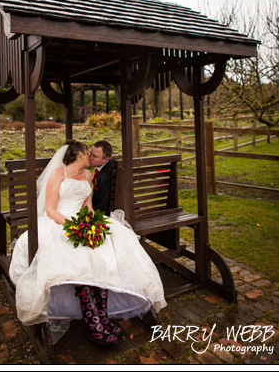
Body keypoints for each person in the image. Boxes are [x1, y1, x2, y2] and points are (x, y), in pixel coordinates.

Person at [9, 140, 166, 347]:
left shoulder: (88, 175)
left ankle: (101, 317)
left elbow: (88, 206)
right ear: (80, 154)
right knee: (80, 259)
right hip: (60, 223)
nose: (90, 157)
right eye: (87, 153)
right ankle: (94, 324)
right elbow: (51, 210)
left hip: (83, 222)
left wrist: (93, 223)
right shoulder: (58, 174)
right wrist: (75, 226)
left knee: (104, 250)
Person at [89, 140, 114, 215]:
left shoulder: (105, 176)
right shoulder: (111, 165)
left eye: (95, 156)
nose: (90, 158)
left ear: (105, 159)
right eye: (90, 154)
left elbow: (103, 205)